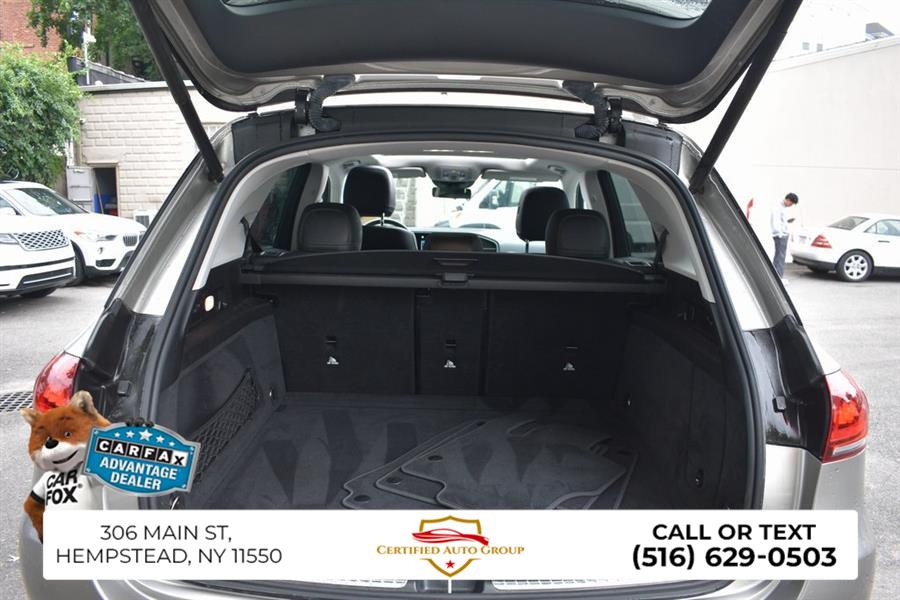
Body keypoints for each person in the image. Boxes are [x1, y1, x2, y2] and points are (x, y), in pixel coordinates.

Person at [771, 192, 799, 278]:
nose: (791, 205)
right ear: (788, 200)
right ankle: (779, 277)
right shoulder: (778, 207)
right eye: (791, 203)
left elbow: (781, 221)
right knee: (781, 257)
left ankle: (775, 276)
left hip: (781, 234)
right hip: (780, 235)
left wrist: (787, 222)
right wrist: (780, 234)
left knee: (778, 256)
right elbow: (775, 221)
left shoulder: (782, 207)